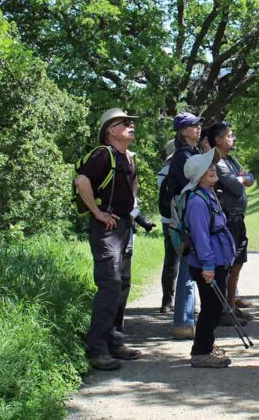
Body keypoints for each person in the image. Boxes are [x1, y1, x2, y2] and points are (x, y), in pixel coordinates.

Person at [74, 108, 143, 370]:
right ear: (110, 130)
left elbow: (132, 190)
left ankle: (114, 340)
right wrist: (98, 212)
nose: (130, 126)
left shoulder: (127, 157)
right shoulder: (104, 154)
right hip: (107, 229)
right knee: (110, 284)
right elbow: (82, 181)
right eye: (124, 123)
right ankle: (96, 349)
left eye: (131, 122)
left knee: (123, 283)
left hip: (124, 226)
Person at [181, 148, 237, 368]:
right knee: (211, 307)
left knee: (213, 305)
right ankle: (201, 352)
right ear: (198, 174)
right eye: (208, 167)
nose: (213, 168)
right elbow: (201, 236)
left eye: (212, 165)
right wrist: (208, 266)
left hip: (216, 260)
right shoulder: (197, 202)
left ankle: (206, 345)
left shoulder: (208, 194)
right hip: (208, 263)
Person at [209, 122, 255, 323]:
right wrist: (242, 179)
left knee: (237, 263)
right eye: (229, 136)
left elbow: (250, 178)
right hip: (227, 218)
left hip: (238, 218)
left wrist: (243, 178)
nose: (233, 138)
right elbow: (236, 187)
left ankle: (231, 305)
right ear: (218, 140)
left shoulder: (231, 160)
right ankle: (221, 310)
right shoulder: (217, 161)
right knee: (227, 265)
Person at [166, 112, 205, 340]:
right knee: (188, 270)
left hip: (191, 216)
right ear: (182, 131)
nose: (198, 128)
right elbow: (190, 187)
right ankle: (182, 321)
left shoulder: (192, 153)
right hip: (188, 219)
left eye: (199, 125)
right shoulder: (183, 157)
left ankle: (186, 319)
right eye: (193, 125)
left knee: (190, 269)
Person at [157, 139, 177, 314]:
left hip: (166, 220)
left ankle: (167, 300)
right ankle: (185, 301)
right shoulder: (178, 170)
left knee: (170, 261)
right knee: (185, 260)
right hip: (179, 220)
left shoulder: (162, 172)